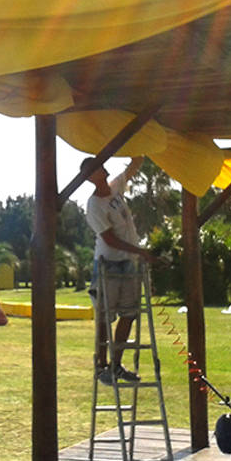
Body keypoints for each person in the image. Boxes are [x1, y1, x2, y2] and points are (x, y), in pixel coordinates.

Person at [81, 155, 159, 386]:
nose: (101, 168)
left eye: (100, 164)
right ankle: (101, 366)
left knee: (129, 314)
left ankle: (116, 365)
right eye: (94, 168)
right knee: (105, 317)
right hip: (108, 264)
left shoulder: (115, 189)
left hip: (128, 263)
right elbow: (109, 238)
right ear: (89, 177)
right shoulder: (94, 204)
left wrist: (134, 147)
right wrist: (140, 251)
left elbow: (135, 165)